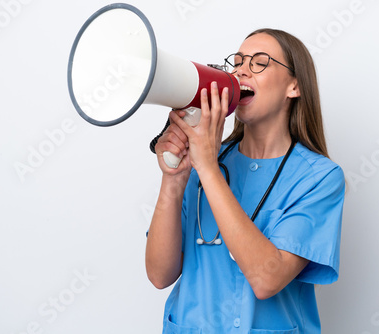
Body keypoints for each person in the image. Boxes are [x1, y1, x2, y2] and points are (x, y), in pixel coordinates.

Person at [145, 28, 345, 334]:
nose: (240, 71)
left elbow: (267, 280)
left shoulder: (320, 179)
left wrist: (209, 168)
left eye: (259, 63)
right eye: (237, 62)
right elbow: (160, 274)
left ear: (294, 86)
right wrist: (173, 179)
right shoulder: (204, 159)